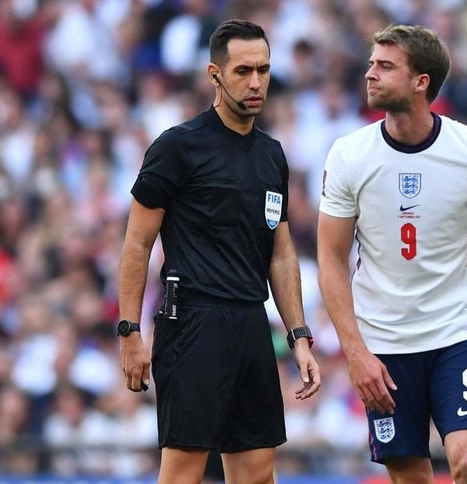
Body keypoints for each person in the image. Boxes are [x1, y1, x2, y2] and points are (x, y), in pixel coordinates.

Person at [317, 24, 467, 484]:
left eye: (385, 66)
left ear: (420, 81)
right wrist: (354, 352)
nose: (370, 74)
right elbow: (330, 259)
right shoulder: (349, 155)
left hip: (454, 334)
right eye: (371, 63)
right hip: (383, 346)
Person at [118, 19, 321, 484]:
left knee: (257, 475)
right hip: (193, 321)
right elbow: (137, 243)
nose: (256, 83)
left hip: (251, 321)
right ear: (214, 75)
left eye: (264, 71)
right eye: (243, 71)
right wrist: (130, 331)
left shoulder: (272, 155)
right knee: (182, 475)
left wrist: (299, 335)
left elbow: (282, 254)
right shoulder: (178, 147)